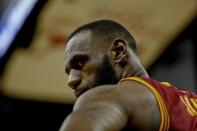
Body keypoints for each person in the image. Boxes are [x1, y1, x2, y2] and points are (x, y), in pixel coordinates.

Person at [60, 20, 197, 131]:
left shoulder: (115, 96)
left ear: (118, 52)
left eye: (79, 63)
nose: (71, 80)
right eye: (69, 72)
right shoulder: (187, 101)